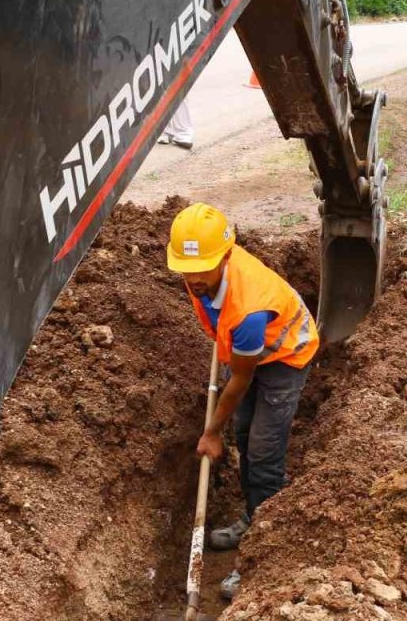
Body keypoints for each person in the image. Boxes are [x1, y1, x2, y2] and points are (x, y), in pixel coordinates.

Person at [166, 203, 318, 599]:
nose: (193, 279)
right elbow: (226, 337)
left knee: (265, 453)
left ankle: (262, 556)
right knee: (247, 434)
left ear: (226, 256)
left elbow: (242, 377)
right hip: (250, 351)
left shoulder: (249, 308)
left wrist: (212, 432)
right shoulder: (201, 274)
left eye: (201, 270)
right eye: (186, 269)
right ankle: (254, 517)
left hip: (285, 356)